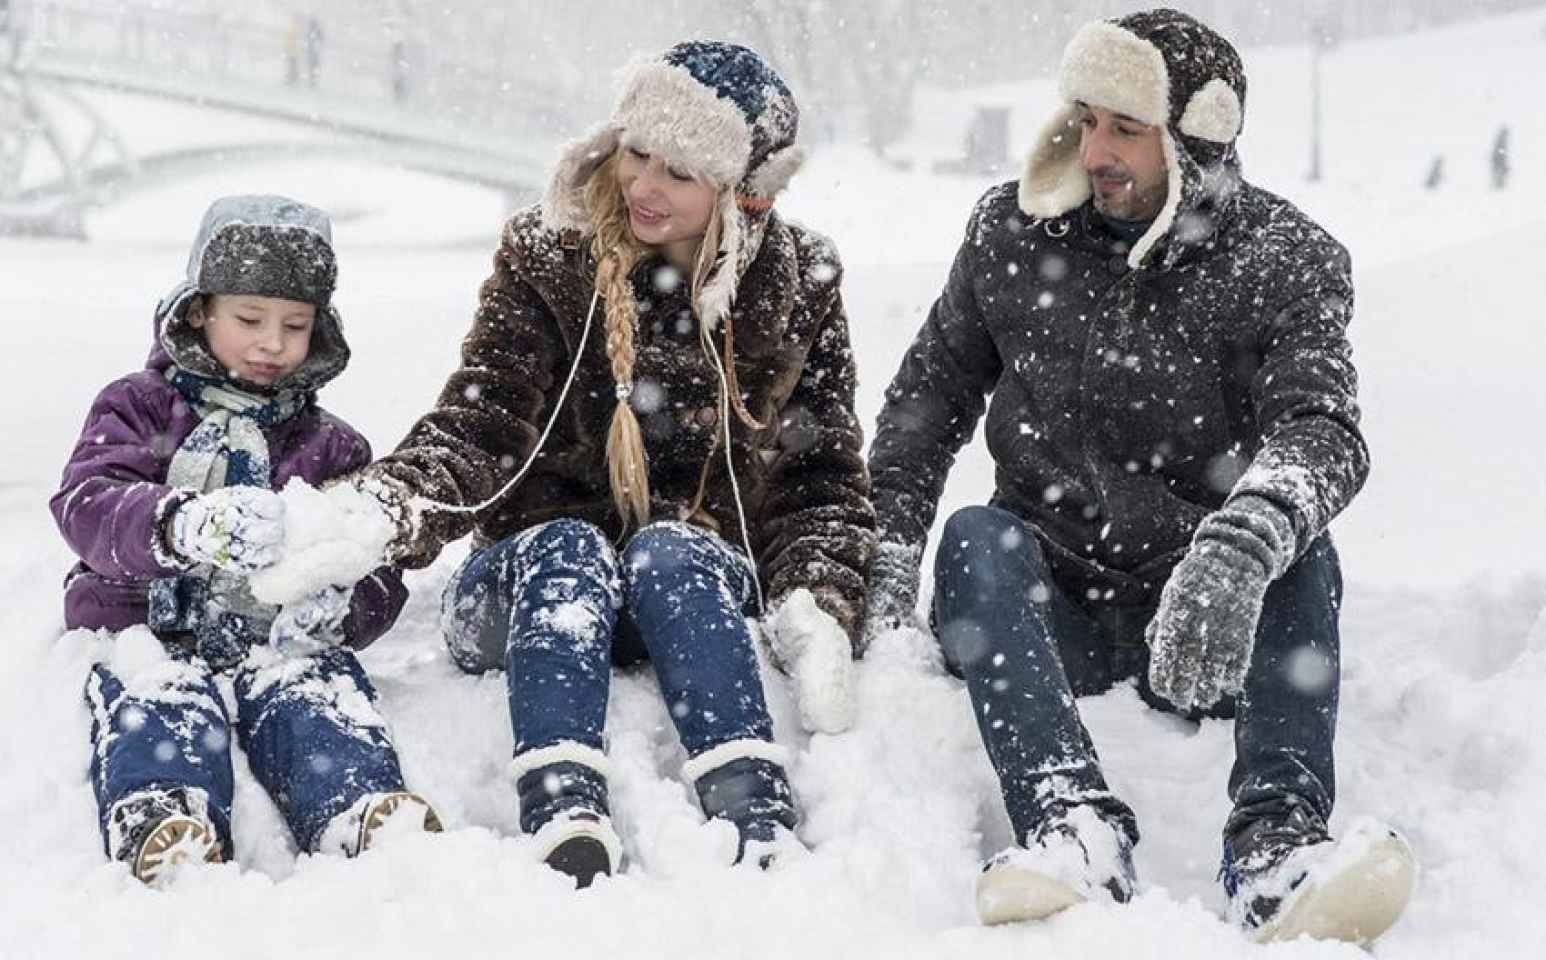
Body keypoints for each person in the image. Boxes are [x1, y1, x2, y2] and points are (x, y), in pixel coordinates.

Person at [864, 8, 1413, 946]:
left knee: (1301, 548)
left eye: (1126, 127)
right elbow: (925, 406)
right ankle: (1071, 826)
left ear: (1196, 138)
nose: (1096, 148)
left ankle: (1278, 849)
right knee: (973, 539)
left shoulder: (1286, 261)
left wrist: (1241, 546)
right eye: (1085, 119)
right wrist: (880, 559)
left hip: (1208, 623)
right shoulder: (1009, 233)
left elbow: (1323, 429)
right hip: (1050, 609)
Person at [294, 41, 874, 887]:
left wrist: (820, 602)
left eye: (678, 171)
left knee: (671, 550)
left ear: (740, 193)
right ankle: (563, 805)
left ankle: (754, 805)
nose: (643, 185)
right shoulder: (547, 254)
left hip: (686, 593)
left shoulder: (798, 285)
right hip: (528, 589)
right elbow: (480, 424)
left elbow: (820, 475)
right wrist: (384, 508)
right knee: (569, 547)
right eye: (637, 152)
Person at [51, 195, 440, 885]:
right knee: (159, 695)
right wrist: (179, 524)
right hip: (143, 623)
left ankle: (355, 804)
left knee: (315, 693)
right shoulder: (138, 407)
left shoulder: (332, 446)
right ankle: (163, 812)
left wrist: (343, 606)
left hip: (274, 638)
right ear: (199, 310)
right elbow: (88, 502)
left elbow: (372, 561)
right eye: (250, 320)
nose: (272, 344)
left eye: (295, 325)